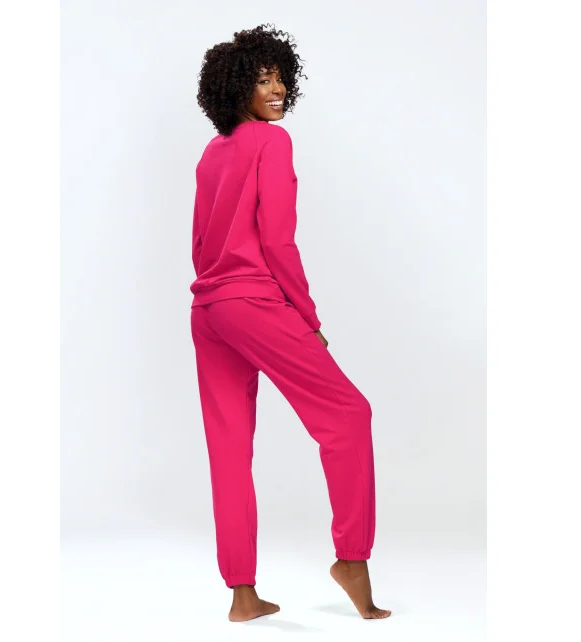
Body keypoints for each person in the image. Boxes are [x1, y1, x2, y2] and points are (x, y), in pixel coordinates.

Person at [190, 24, 391, 622]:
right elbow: (278, 240)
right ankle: (351, 559)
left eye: (280, 78)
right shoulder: (271, 142)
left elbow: (200, 244)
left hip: (209, 309)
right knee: (349, 414)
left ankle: (243, 596)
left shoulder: (212, 153)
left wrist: (221, 292)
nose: (276, 90)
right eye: (262, 80)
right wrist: (307, 317)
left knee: (229, 450)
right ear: (236, 88)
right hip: (253, 302)